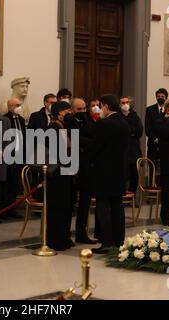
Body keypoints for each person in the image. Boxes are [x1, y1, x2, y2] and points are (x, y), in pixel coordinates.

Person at [88, 95, 129, 254]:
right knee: (118, 206)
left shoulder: (104, 123)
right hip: (119, 172)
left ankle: (106, 242)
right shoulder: (124, 123)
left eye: (101, 106)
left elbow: (95, 146)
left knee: (103, 207)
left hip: (104, 172)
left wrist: (87, 157)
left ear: (106, 106)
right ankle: (119, 240)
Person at [66, 98, 96, 244]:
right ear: (72, 110)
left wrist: (87, 141)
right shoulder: (69, 122)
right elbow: (75, 138)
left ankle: (81, 233)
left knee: (85, 203)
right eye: (79, 109)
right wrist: (87, 141)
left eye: (84, 108)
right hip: (72, 167)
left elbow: (94, 137)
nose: (83, 111)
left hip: (87, 167)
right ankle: (65, 234)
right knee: (69, 202)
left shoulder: (88, 120)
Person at [46, 101, 75, 251]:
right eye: (66, 111)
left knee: (67, 206)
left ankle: (64, 236)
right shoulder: (53, 128)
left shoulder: (66, 127)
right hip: (56, 174)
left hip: (67, 172)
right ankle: (55, 239)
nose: (69, 113)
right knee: (57, 207)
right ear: (58, 113)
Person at [4, 98, 26, 219]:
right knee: (7, 183)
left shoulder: (21, 120)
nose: (19, 107)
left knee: (15, 184)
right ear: (10, 106)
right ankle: (4, 209)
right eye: (17, 105)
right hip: (8, 154)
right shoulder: (5, 118)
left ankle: (12, 209)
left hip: (19, 154)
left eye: (20, 105)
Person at [120, 96, 143, 196]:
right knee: (123, 176)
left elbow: (139, 131)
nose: (125, 104)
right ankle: (121, 197)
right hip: (122, 151)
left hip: (134, 150)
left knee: (135, 176)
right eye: (123, 103)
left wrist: (131, 132)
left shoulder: (135, 116)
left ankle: (132, 197)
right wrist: (131, 131)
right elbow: (122, 130)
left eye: (127, 102)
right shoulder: (118, 116)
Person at [145, 88, 169, 180]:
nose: (160, 98)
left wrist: (163, 139)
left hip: (166, 144)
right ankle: (152, 186)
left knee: (165, 168)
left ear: (166, 98)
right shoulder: (150, 110)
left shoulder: (168, 110)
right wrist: (155, 139)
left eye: (162, 96)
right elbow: (148, 128)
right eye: (158, 96)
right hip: (153, 144)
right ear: (156, 97)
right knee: (152, 167)